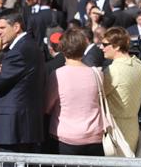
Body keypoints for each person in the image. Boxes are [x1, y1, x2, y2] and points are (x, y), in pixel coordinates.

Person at [0, 9, 45, 153]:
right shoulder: (27, 46)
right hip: (19, 125)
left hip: (12, 128)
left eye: (2, 28)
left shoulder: (19, 50)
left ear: (16, 27)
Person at [45, 28, 104, 156]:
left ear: (62, 48)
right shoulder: (97, 73)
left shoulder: (57, 75)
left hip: (65, 138)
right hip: (94, 136)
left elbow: (47, 107)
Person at [100, 27, 141, 153]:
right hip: (133, 126)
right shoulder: (139, 65)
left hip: (116, 129)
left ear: (117, 46)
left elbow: (99, 96)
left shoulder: (113, 70)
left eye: (105, 44)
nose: (101, 47)